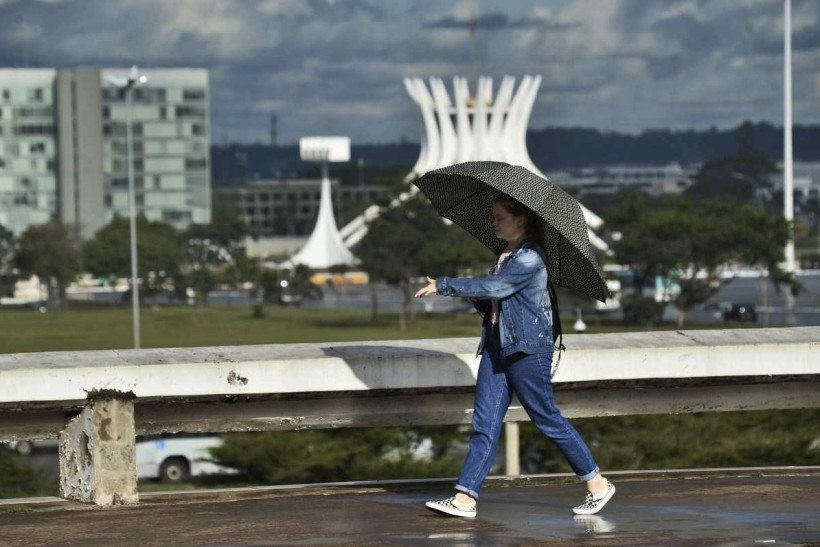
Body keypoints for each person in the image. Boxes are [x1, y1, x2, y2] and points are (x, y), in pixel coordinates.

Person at [414, 193, 615, 519]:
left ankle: (597, 484)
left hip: (527, 348)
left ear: (520, 220)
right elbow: (494, 299)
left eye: (500, 217)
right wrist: (477, 297)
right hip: (497, 347)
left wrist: (446, 285)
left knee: (546, 418)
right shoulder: (506, 255)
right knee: (485, 424)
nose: (494, 223)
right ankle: (465, 499)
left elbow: (497, 289)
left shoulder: (531, 257)